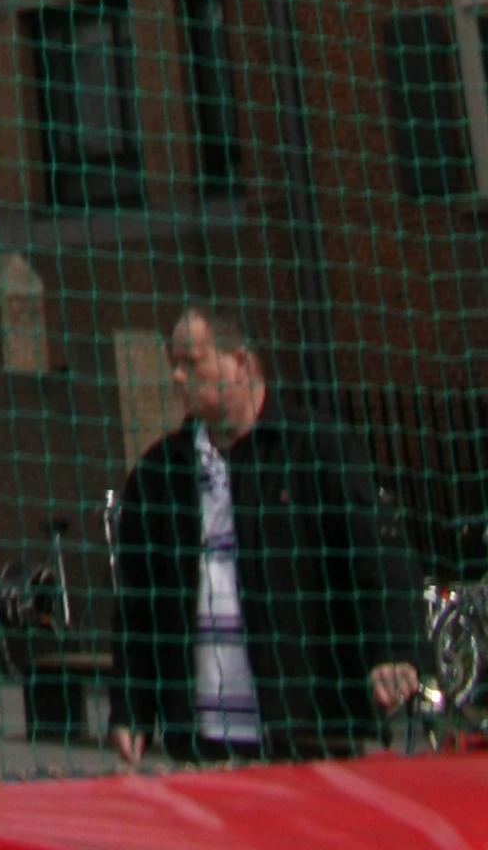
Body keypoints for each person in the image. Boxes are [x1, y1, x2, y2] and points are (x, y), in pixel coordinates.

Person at [110, 303, 424, 765]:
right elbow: (137, 604)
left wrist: (396, 650)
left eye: (191, 362)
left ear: (242, 363)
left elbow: (379, 555)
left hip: (307, 731)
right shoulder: (160, 474)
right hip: (202, 742)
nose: (178, 377)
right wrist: (132, 707)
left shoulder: (315, 449)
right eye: (173, 364)